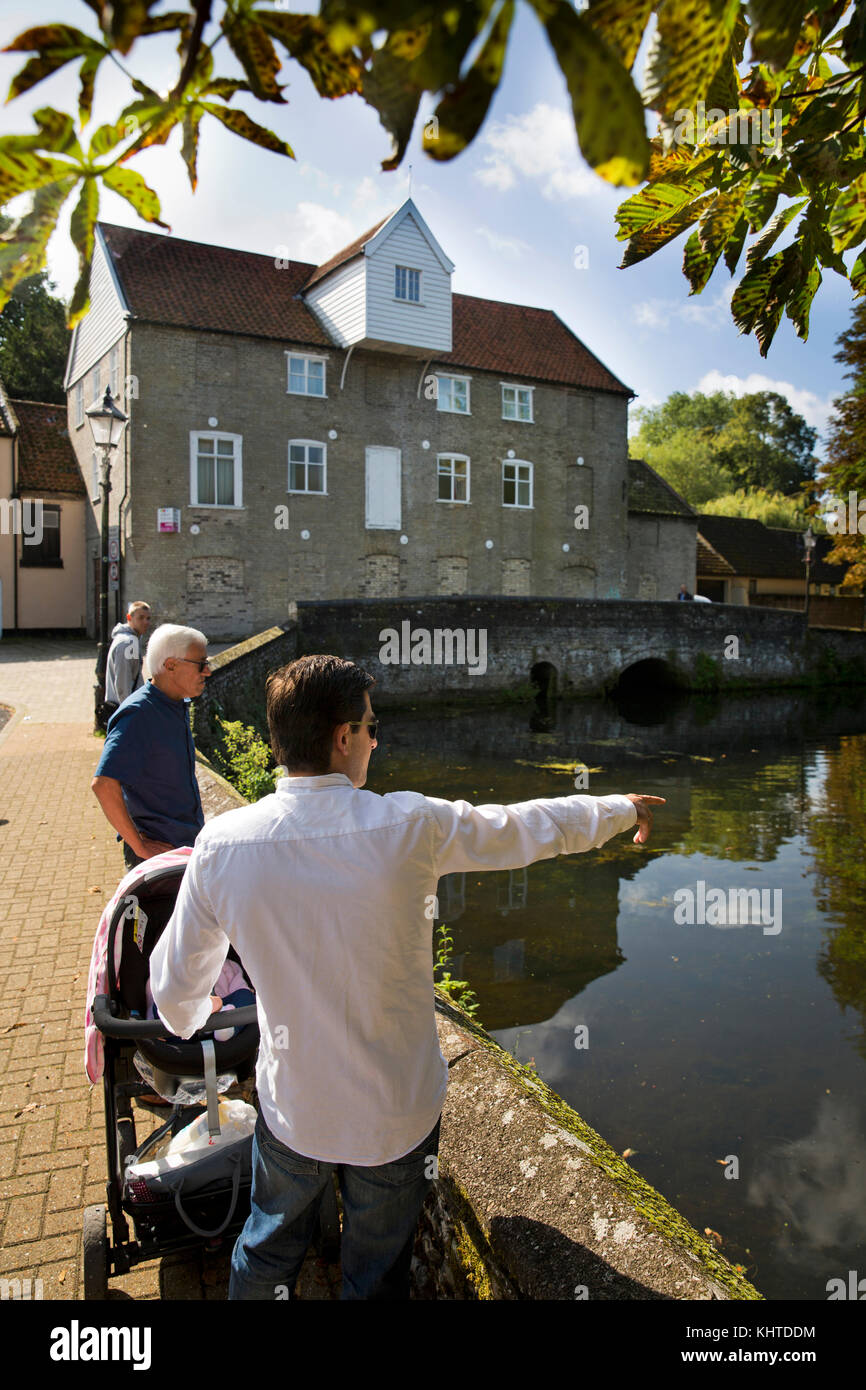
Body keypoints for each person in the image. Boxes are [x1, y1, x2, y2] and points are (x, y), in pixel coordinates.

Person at [148, 654, 665, 1301]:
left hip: (296, 1111)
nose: (376, 737)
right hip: (395, 1116)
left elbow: (173, 1001)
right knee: (375, 1271)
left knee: (266, 1247)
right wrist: (618, 809)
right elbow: (523, 830)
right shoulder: (408, 826)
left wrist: (201, 1019)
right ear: (343, 739)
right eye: (370, 725)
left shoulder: (223, 846)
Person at [92, 624, 211, 871]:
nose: (208, 671)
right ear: (170, 666)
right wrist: (139, 846)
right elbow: (103, 784)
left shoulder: (175, 703)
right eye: (201, 664)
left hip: (182, 847)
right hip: (160, 854)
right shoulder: (138, 714)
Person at [102, 601, 151, 721]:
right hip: (125, 710)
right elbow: (123, 683)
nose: (146, 622)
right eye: (141, 618)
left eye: (148, 618)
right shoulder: (128, 642)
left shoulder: (127, 639)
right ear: (129, 618)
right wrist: (130, 713)